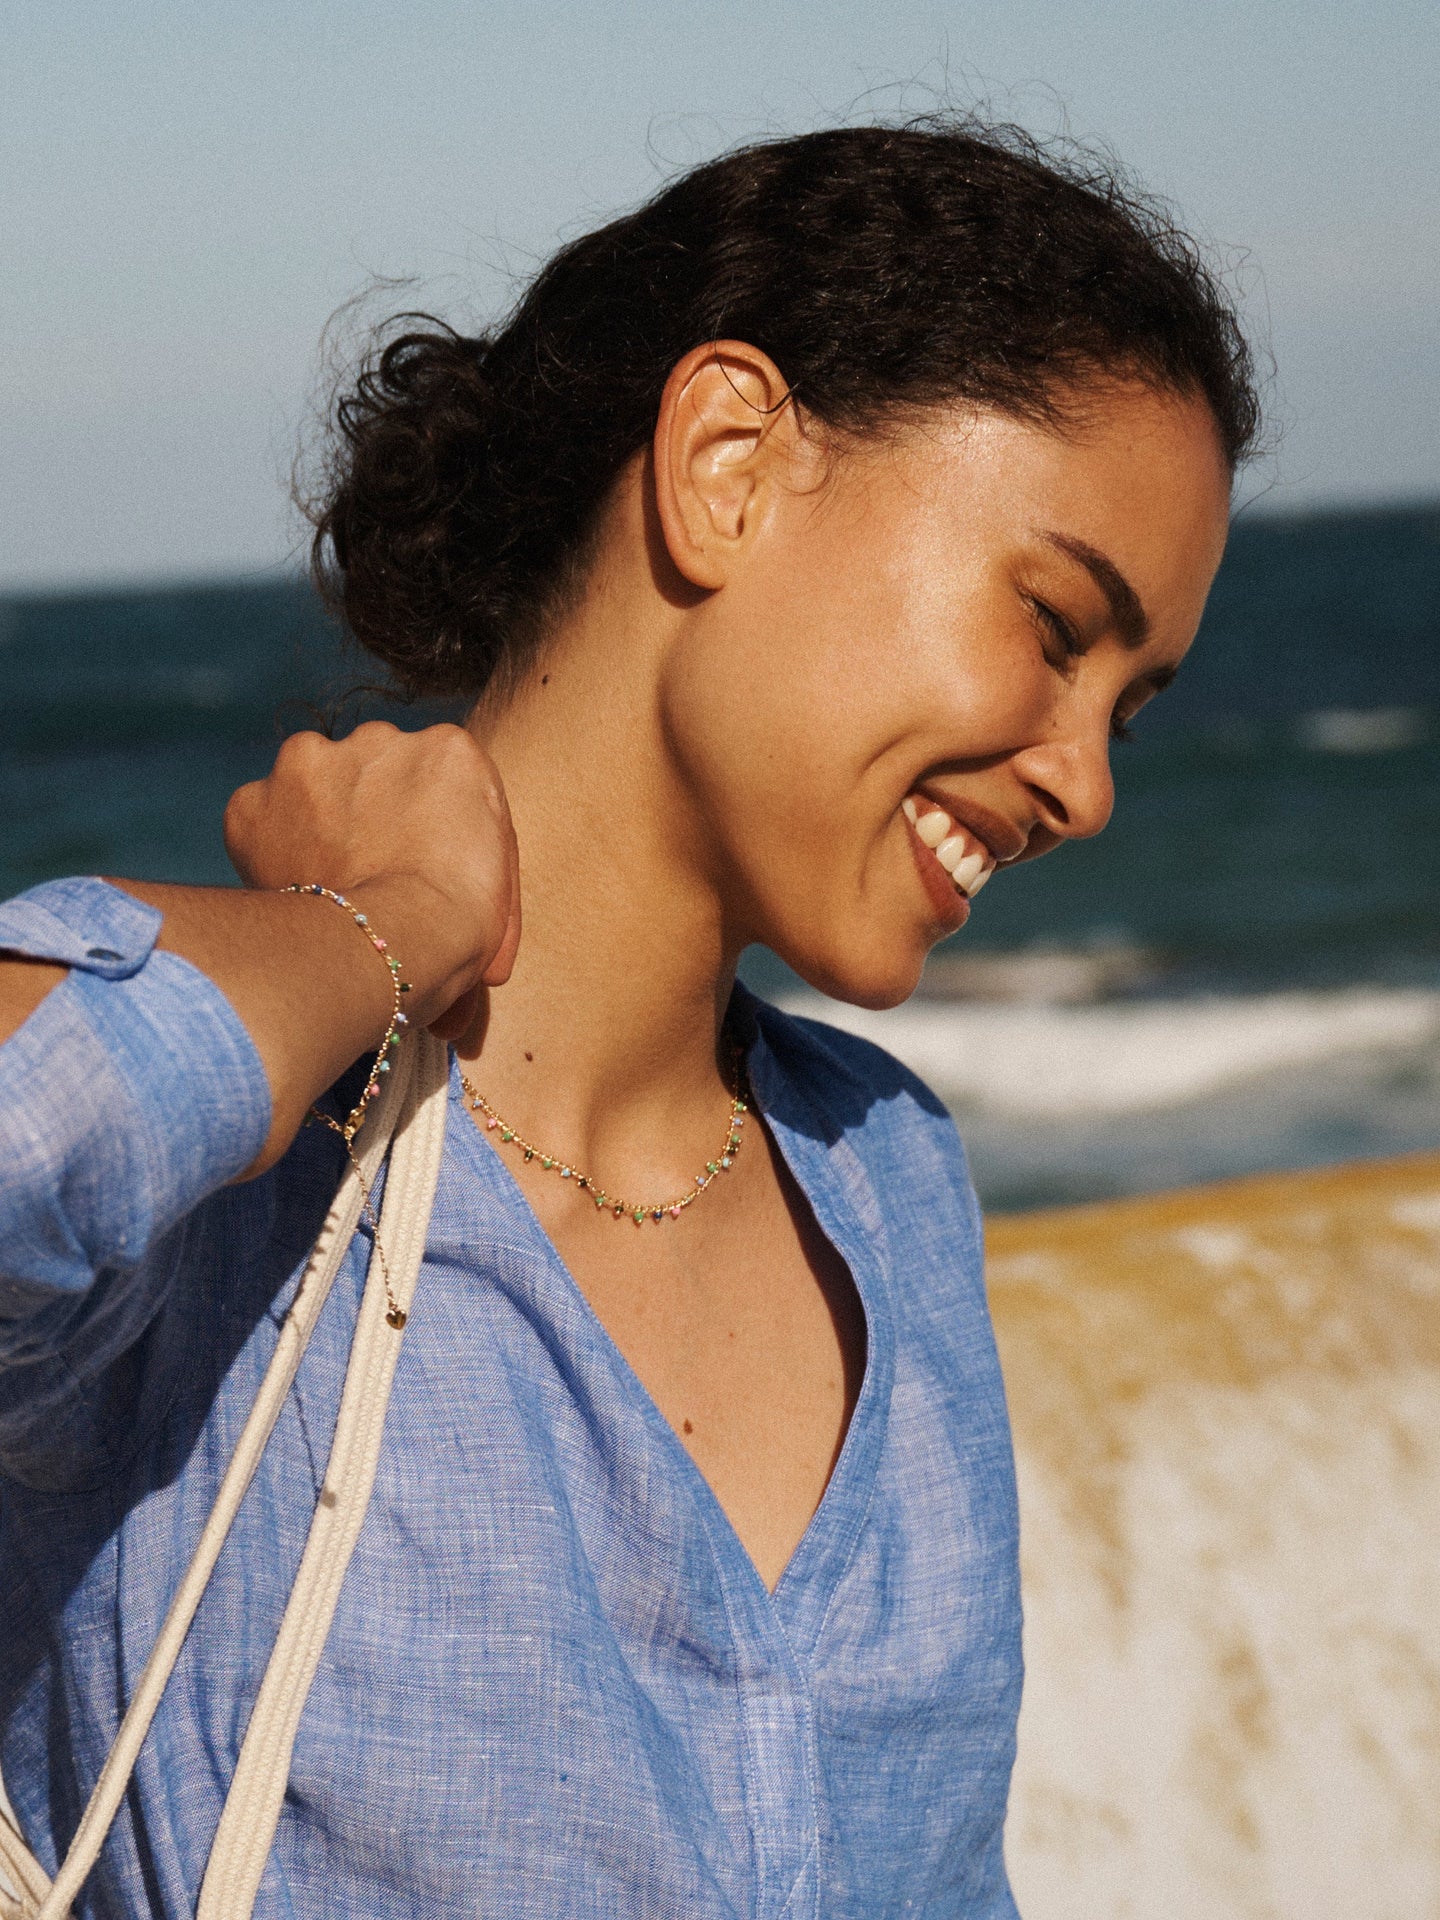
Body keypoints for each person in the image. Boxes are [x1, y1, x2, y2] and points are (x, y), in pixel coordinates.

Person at [0, 120, 1257, 1917]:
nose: (1085, 784)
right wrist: (385, 929)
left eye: (1128, 711)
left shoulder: (888, 1182)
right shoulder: (227, 1170)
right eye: (1057, 625)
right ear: (730, 463)